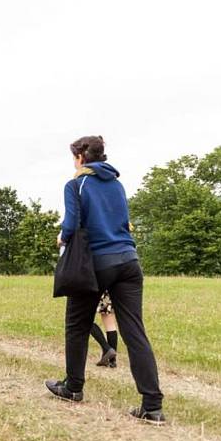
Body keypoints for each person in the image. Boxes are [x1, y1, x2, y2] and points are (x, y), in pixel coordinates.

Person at [45, 136, 165, 425]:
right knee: (134, 330)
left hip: (96, 263)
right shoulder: (117, 184)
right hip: (129, 260)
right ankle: (152, 406)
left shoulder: (76, 184)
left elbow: (72, 224)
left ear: (80, 158)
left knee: (77, 323)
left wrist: (62, 236)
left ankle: (73, 387)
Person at [90, 292, 118, 368]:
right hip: (108, 289)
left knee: (85, 319)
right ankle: (112, 361)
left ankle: (107, 348)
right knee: (110, 323)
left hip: (93, 287)